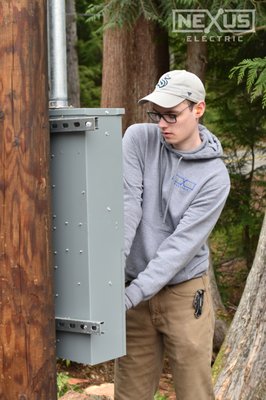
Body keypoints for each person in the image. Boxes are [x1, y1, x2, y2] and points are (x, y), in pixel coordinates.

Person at [115, 70, 230, 400]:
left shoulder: (214, 178)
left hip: (183, 293)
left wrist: (130, 294)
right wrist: (115, 280)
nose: (163, 123)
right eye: (157, 114)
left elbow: (179, 247)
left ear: (198, 109)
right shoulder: (139, 138)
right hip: (133, 290)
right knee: (130, 393)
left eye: (172, 114)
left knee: (194, 392)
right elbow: (127, 207)